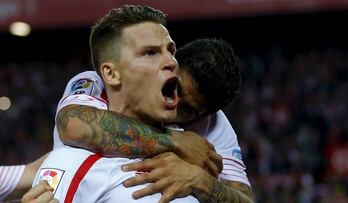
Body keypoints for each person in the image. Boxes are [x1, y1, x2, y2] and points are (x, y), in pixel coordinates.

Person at [2, 6, 253, 203]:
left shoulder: (212, 124)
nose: (175, 106)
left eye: (188, 110)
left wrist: (202, 182)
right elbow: (74, 126)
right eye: (151, 53)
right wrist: (176, 142)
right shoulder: (92, 89)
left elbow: (242, 198)